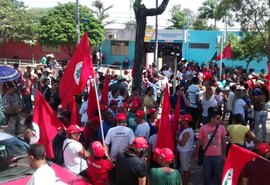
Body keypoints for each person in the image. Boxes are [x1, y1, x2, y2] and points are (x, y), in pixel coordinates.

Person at [195, 108, 227, 185]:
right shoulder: (203, 128)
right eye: (218, 118)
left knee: (218, 176)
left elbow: (224, 142)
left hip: (218, 156)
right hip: (206, 156)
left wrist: (224, 155)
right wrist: (196, 155)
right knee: (206, 176)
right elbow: (198, 143)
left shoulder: (222, 128)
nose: (219, 120)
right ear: (212, 118)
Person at [176, 114, 194, 185]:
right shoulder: (187, 130)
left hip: (185, 153)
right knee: (186, 169)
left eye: (183, 120)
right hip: (185, 152)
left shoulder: (187, 132)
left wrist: (176, 139)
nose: (181, 121)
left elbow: (182, 143)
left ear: (186, 122)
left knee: (186, 170)